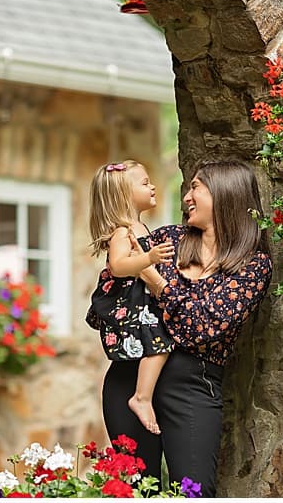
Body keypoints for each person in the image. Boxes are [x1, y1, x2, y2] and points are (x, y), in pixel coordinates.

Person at [99, 159, 273, 496]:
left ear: (224, 194)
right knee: (134, 491)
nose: (186, 197)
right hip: (128, 378)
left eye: (196, 187)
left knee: (193, 492)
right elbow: (108, 303)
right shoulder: (167, 240)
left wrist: (153, 280)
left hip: (193, 385)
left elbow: (203, 328)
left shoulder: (252, 265)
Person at [83, 160, 177, 435]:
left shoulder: (140, 228)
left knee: (159, 345)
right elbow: (118, 265)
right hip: (133, 305)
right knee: (159, 344)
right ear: (125, 195)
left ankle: (143, 396)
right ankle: (141, 397)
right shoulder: (122, 231)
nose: (153, 186)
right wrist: (149, 257)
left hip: (144, 302)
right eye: (145, 183)